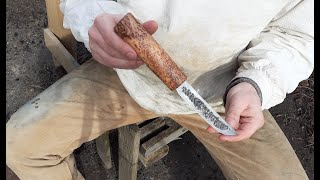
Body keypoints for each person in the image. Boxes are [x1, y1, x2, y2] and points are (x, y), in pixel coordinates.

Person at [6, 0, 313, 179]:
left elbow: (297, 34)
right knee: (21, 145)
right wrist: (92, 17)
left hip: (224, 93)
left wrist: (255, 83)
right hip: (129, 73)